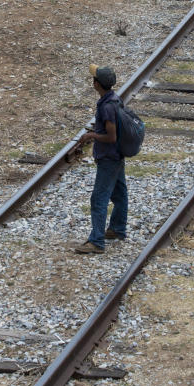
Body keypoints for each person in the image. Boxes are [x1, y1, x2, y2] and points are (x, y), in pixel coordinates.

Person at [72, 64, 128, 254]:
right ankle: (117, 229)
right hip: (117, 155)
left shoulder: (106, 107)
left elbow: (111, 137)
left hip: (109, 158)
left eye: (94, 78)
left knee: (98, 199)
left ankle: (96, 241)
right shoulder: (114, 98)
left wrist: (92, 136)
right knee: (120, 194)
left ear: (96, 84)